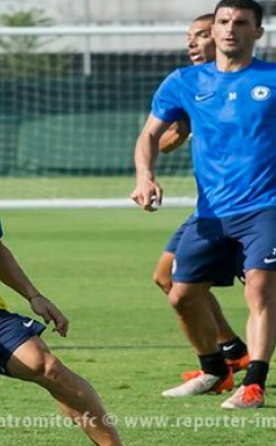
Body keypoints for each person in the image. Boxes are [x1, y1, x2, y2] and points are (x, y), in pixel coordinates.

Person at [131, 0, 276, 409]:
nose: (231, 29)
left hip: (266, 205)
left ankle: (255, 383)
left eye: (241, 22)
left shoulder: (272, 79)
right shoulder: (183, 82)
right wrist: (145, 175)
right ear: (214, 30)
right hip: (211, 212)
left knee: (262, 288)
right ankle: (215, 369)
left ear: (258, 32)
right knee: (180, 294)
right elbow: (149, 136)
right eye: (224, 22)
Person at [151, 13, 249, 383]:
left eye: (201, 35)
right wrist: (186, 126)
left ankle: (234, 358)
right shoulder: (190, 85)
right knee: (166, 278)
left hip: (253, 204)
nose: (192, 43)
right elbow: (165, 142)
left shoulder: (249, 84)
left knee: (258, 287)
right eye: (189, 36)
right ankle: (233, 351)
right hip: (212, 207)